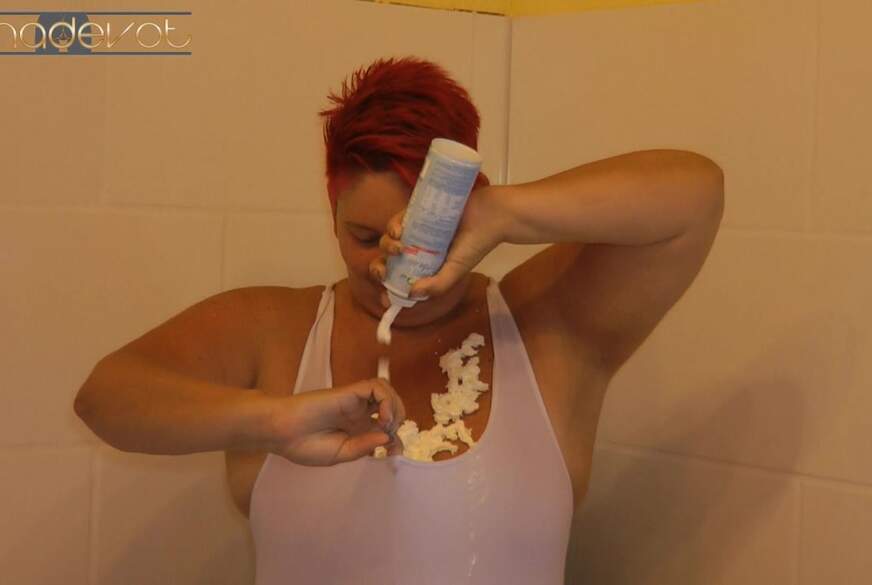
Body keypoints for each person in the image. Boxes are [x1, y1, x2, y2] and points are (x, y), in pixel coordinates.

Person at [74, 56, 724, 584]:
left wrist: (506, 213)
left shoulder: (544, 327)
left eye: (422, 238)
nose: (390, 265)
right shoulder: (272, 329)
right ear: (331, 215)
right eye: (363, 237)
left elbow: (694, 195)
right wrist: (272, 418)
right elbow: (105, 396)